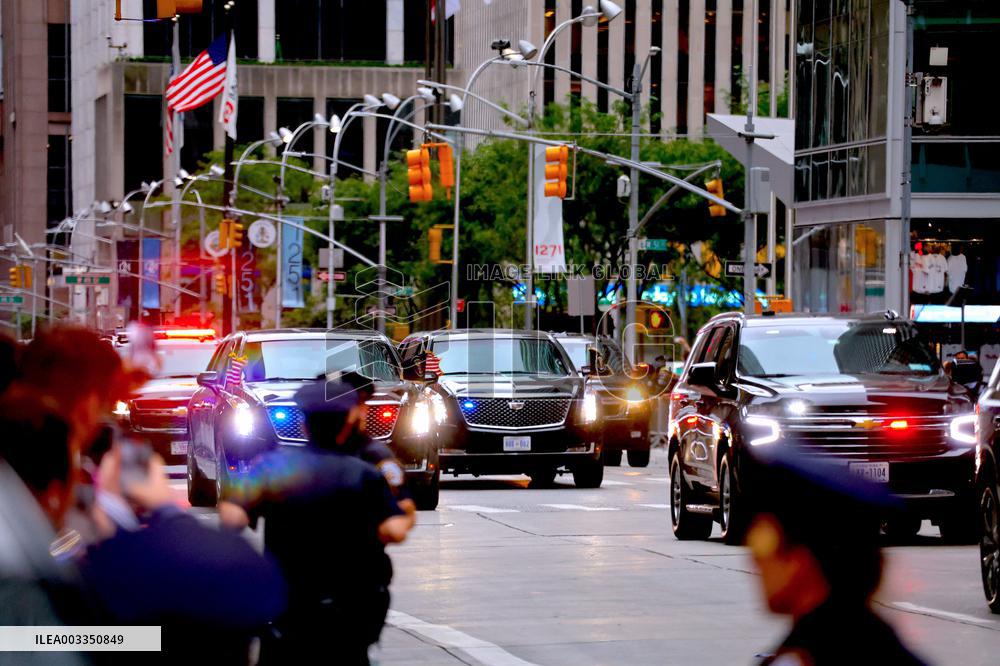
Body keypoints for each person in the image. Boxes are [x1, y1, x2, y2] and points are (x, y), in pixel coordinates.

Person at [224, 377, 413, 665]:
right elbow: (394, 530)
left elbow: (232, 517)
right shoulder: (363, 473)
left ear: (303, 424)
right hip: (349, 602)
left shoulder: (273, 468)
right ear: (349, 421)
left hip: (287, 601)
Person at [745, 449, 928, 665]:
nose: (755, 560)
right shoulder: (887, 650)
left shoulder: (803, 659)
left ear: (802, 563)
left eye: (763, 544)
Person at [324, 371, 419, 518]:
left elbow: (403, 514)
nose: (363, 412)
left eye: (362, 403)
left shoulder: (378, 456)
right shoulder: (303, 458)